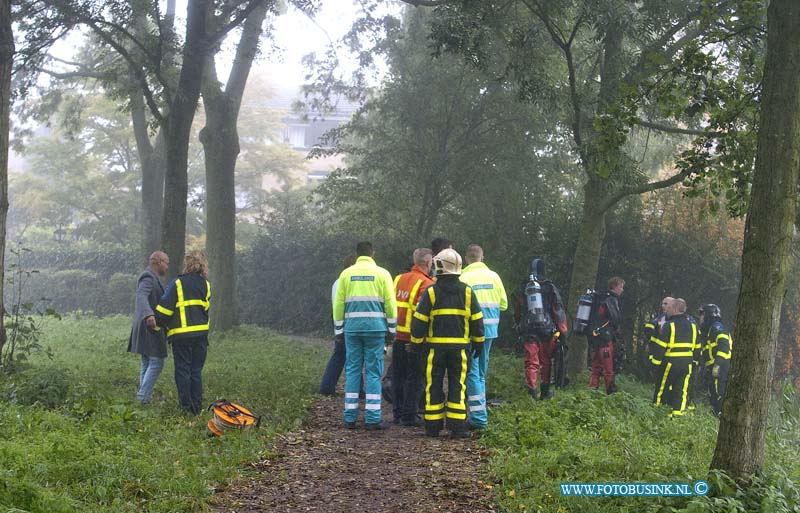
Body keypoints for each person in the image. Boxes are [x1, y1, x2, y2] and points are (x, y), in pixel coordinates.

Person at [410, 248, 485, 438]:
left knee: (433, 385)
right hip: (460, 350)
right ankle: (457, 427)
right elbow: (477, 320)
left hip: (435, 349)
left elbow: (419, 321)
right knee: (457, 386)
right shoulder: (468, 292)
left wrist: (417, 343)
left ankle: (432, 427)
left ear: (441, 267)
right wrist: (479, 342)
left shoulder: (432, 292)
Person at [333, 242, 397, 430]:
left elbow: (338, 305)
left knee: (352, 369)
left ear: (357, 254)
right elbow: (390, 305)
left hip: (352, 329)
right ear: (373, 253)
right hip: (375, 329)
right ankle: (372, 418)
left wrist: (339, 331)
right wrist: (392, 329)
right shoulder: (383, 274)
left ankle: (350, 417)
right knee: (373, 371)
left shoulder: (346, 274)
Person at [155, 250, 211, 415]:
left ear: (187, 264)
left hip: (182, 336)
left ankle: (185, 408)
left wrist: (156, 324)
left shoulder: (178, 283)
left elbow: (165, 308)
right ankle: (197, 408)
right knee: (196, 371)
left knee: (183, 371)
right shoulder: (206, 284)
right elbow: (205, 309)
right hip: (201, 335)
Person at [459, 244, 508, 429]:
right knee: (480, 373)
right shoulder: (494, 276)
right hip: (490, 331)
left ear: (466, 258)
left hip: (470, 332)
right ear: (482, 257)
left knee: (471, 373)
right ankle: (479, 410)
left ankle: (478, 417)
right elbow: (503, 305)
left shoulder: (463, 277)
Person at [514, 258, 568, 400]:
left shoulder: (524, 285)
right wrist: (563, 330)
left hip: (528, 329)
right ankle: (544, 392)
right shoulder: (549, 286)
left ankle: (531, 392)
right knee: (545, 361)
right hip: (547, 329)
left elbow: (518, 309)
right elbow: (558, 309)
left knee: (531, 362)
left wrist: (519, 325)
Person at [391, 248, 434, 426]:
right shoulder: (426, 283)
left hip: (397, 336)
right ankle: (409, 415)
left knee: (398, 375)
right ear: (428, 263)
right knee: (415, 377)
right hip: (414, 338)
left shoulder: (399, 279)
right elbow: (421, 315)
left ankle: (398, 413)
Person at [128, 251, 170, 404]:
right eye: (166, 262)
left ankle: (143, 399)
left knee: (147, 361)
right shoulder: (148, 277)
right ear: (158, 261)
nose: (167, 266)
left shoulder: (153, 278)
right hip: (149, 327)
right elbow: (141, 296)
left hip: (146, 327)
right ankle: (142, 398)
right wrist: (149, 315)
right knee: (157, 362)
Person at [651, 298, 699, 416]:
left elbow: (660, 346)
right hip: (687, 363)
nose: (667, 310)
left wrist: (654, 364)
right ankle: (677, 415)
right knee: (681, 390)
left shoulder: (669, 325)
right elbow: (697, 347)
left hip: (670, 362)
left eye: (669, 307)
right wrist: (696, 363)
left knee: (662, 388)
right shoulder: (693, 326)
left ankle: (656, 412)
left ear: (675, 309)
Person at [319, 255, 356, 396]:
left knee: (342, 354)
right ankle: (328, 387)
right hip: (347, 321)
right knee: (348, 355)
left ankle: (327, 386)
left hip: (341, 320)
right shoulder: (347, 281)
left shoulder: (338, 282)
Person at [588, 276, 625, 394]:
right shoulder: (611, 299)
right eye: (621, 287)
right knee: (608, 369)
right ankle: (611, 394)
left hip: (594, 339)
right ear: (615, 286)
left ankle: (591, 393)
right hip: (605, 339)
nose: (622, 290)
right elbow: (616, 319)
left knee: (595, 368)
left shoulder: (599, 298)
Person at [698, 304, 732, 416]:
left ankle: (721, 416)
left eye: (702, 314)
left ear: (708, 315)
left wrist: (717, 365)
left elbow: (724, 346)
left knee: (719, 393)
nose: (700, 318)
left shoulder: (717, 327)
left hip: (721, 367)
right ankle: (716, 415)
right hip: (715, 367)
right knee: (713, 393)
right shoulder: (710, 329)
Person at [645, 296, 673, 367]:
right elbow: (651, 326)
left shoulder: (680, 319)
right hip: (659, 353)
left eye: (666, 304)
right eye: (662, 304)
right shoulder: (661, 318)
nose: (663, 306)